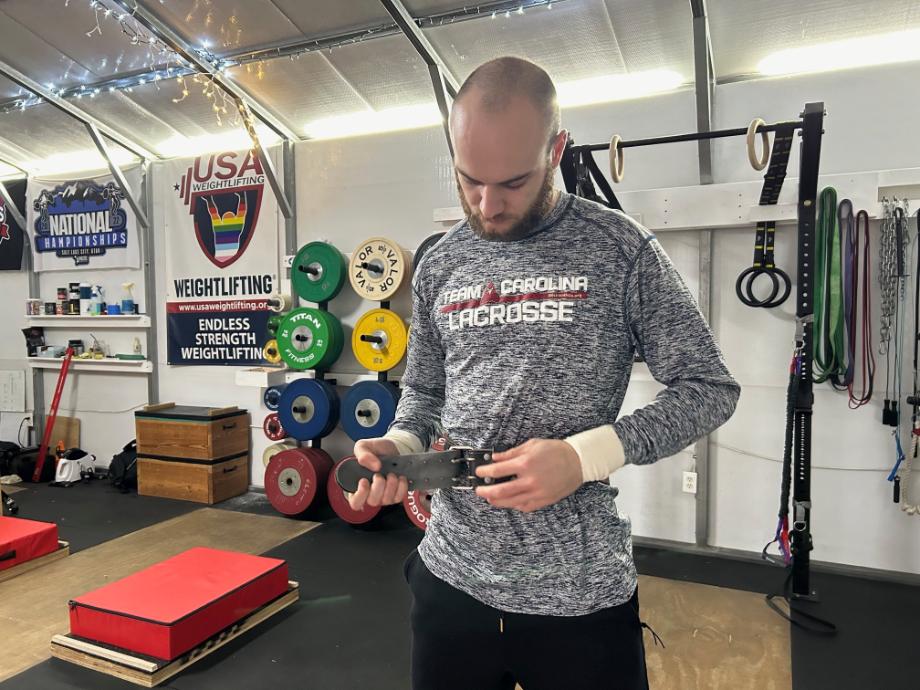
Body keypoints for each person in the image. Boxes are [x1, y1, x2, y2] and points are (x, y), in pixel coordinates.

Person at [347, 56, 740, 690]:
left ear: (556, 149)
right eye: (469, 180)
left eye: (512, 183)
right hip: (452, 582)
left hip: (580, 597)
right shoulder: (440, 264)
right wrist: (403, 446)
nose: (487, 203)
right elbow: (424, 389)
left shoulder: (621, 249)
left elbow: (709, 390)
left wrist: (585, 456)